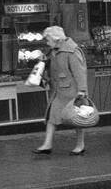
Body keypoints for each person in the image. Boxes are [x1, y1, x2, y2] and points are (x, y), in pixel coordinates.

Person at [32, 25, 91, 156]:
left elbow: (80, 72)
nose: (47, 42)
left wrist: (82, 91)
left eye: (48, 39)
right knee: (52, 117)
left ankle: (80, 145)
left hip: (72, 91)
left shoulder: (72, 51)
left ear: (56, 39)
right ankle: (47, 144)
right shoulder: (54, 50)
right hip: (58, 90)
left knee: (77, 119)